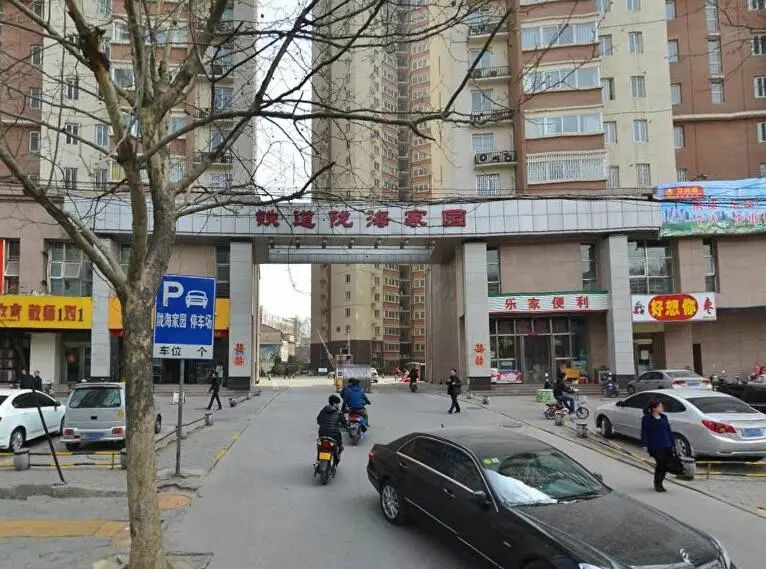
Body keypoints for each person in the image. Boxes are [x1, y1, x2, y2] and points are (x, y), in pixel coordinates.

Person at [640, 399, 675, 492]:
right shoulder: (646, 418)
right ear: (654, 408)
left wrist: (673, 443)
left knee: (664, 465)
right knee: (660, 464)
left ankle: (660, 483)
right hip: (655, 446)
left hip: (667, 445)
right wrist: (644, 444)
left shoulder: (664, 417)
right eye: (660, 406)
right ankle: (657, 483)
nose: (662, 408)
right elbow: (644, 431)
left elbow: (668, 431)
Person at [317, 394, 347, 463]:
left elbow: (318, 420)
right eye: (338, 404)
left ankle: (318, 459)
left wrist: (323, 424)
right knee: (340, 445)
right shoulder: (339, 412)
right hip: (334, 434)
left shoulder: (323, 410)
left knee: (320, 445)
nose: (339, 405)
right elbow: (344, 423)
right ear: (334, 403)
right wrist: (345, 427)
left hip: (322, 432)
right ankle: (337, 457)